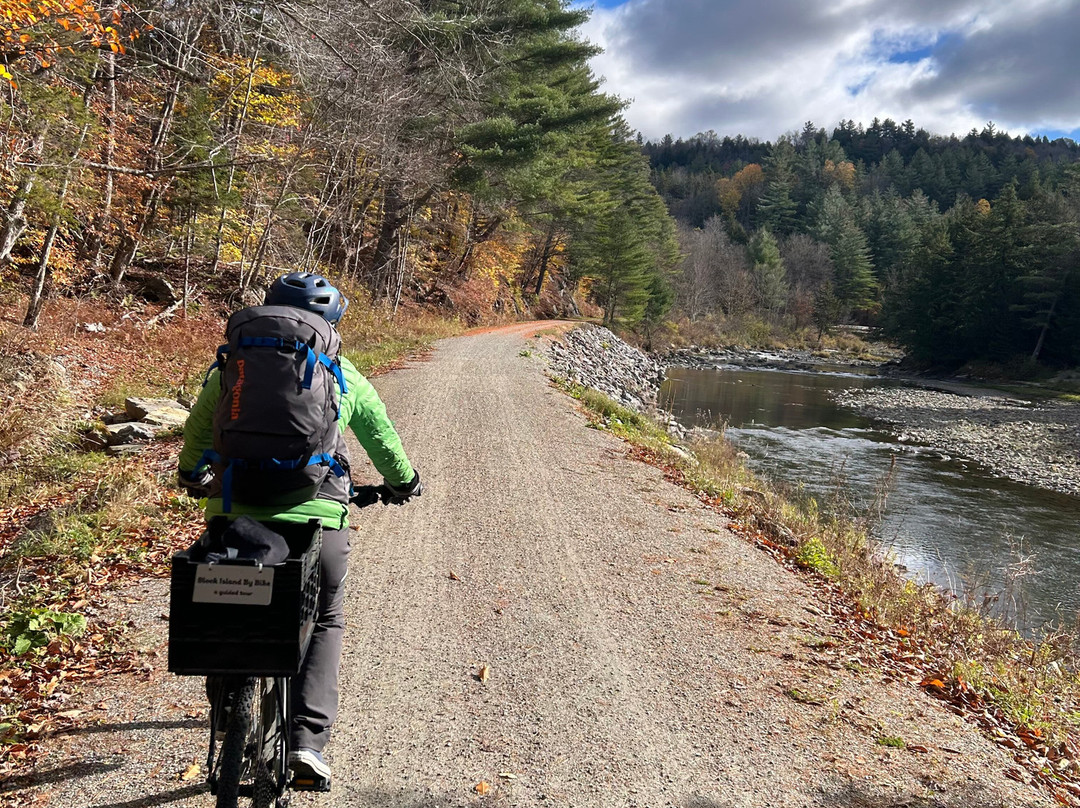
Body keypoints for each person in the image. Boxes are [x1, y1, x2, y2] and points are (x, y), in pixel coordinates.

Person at [177, 271, 421, 791]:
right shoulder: (342, 373)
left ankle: (227, 706)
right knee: (325, 618)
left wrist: (191, 475)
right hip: (317, 519)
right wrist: (404, 482)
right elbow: (381, 438)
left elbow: (198, 432)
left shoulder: (234, 367)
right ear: (331, 323)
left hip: (235, 516)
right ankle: (307, 744)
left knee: (226, 605)